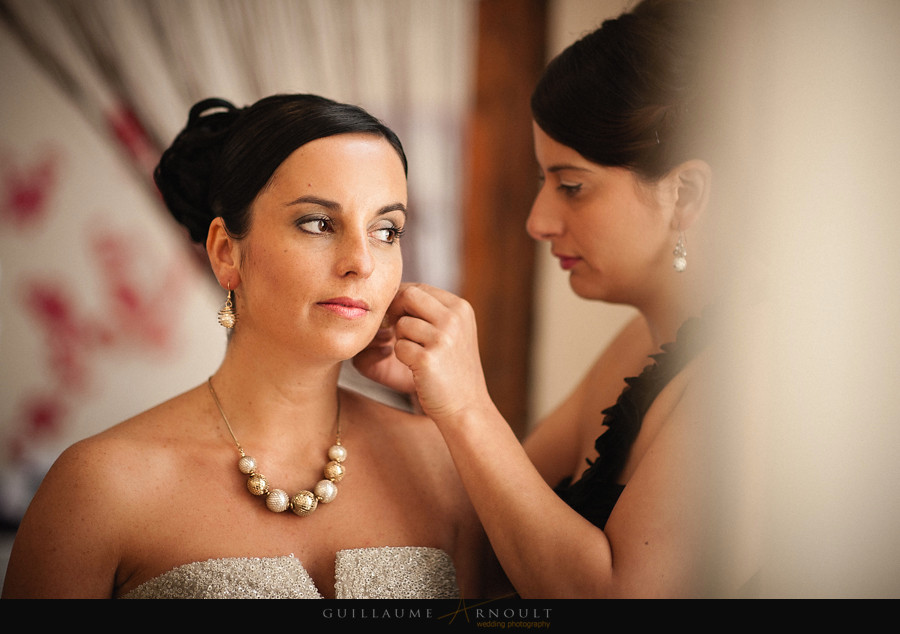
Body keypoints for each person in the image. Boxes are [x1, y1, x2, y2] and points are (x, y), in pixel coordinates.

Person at [2, 94, 490, 599]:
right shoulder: (100, 487)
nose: (361, 263)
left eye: (386, 230)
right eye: (319, 223)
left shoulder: (439, 460)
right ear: (225, 252)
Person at [355, 0, 757, 598]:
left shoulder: (755, 369)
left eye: (571, 186)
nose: (538, 221)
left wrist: (469, 405)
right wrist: (431, 392)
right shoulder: (643, 342)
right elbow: (487, 527)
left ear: (685, 194)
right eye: (544, 182)